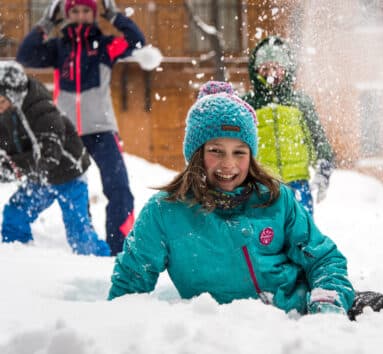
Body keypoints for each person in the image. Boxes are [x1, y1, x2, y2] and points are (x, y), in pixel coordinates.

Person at [108, 81, 354, 316]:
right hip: (219, 337)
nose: (229, 164)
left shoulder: (276, 200)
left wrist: (326, 303)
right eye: (215, 151)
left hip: (291, 326)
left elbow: (324, 258)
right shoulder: (165, 211)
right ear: (196, 154)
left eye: (239, 152)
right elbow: (130, 285)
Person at [16, 0, 146, 256]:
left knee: (118, 187)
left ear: (96, 13)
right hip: (67, 131)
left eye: (87, 10)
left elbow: (137, 41)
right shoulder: (57, 48)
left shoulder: (106, 46)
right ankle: (85, 247)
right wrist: (48, 23)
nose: (81, 16)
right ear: (66, 15)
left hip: (102, 129)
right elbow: (25, 54)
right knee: (74, 188)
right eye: (74, 11)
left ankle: (118, 248)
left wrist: (114, 15)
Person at [0, 60, 109, 256]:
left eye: (1, 101)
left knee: (80, 236)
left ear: (14, 96)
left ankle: (103, 268)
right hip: (40, 178)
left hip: (69, 175)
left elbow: (49, 155)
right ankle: (18, 257)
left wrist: (13, 167)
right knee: (14, 216)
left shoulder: (42, 110)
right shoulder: (6, 113)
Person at [242, 36, 334, 215]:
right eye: (265, 68)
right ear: (256, 71)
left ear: (287, 69)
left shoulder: (300, 102)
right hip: (262, 186)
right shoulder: (248, 104)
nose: (271, 73)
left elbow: (318, 139)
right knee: (265, 238)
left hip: (297, 185)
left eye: (276, 67)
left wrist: (324, 170)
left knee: (302, 236)